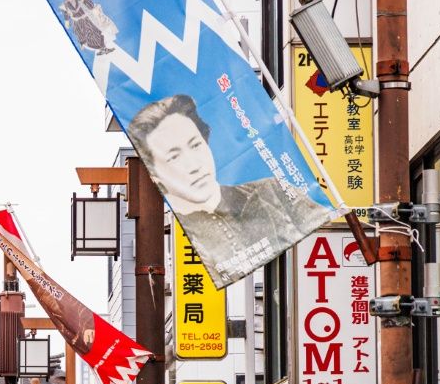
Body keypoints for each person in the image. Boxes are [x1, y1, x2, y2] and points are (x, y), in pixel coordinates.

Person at [127, 94, 334, 282]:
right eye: (173, 157)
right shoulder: (185, 234)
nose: (193, 165)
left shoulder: (274, 191)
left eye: (196, 145)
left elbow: (325, 232)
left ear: (207, 143)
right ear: (154, 174)